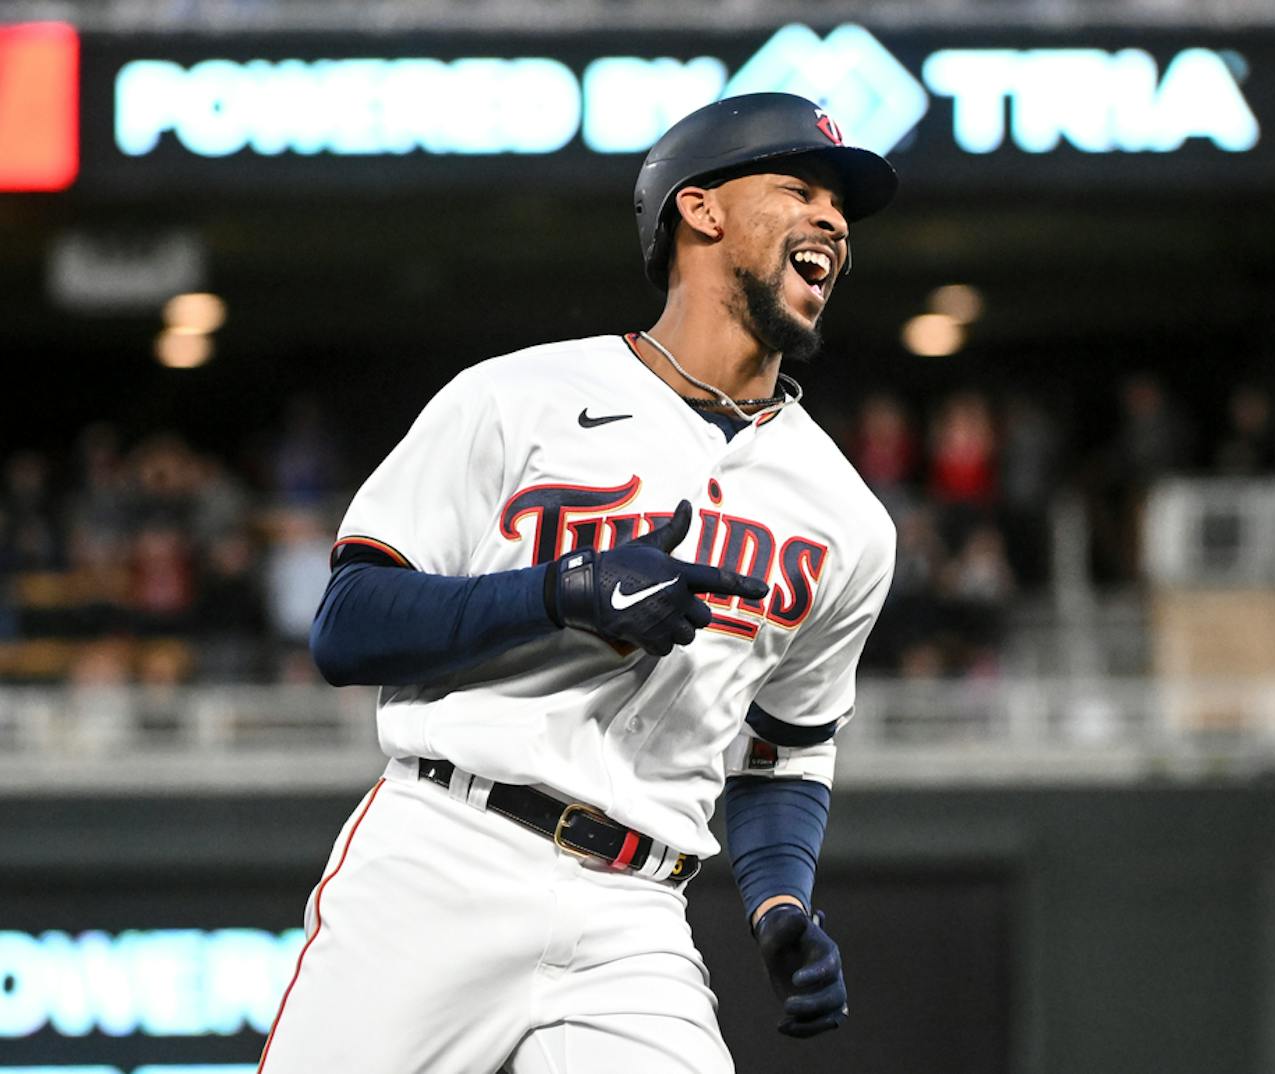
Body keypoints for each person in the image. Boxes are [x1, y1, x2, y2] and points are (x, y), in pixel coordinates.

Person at [257, 92, 898, 1073]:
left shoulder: (846, 519)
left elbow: (783, 758)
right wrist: (555, 593)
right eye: (799, 189)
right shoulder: (517, 398)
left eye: (840, 206)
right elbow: (348, 624)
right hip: (444, 852)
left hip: (632, 909)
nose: (833, 220)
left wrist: (778, 901)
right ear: (699, 209)